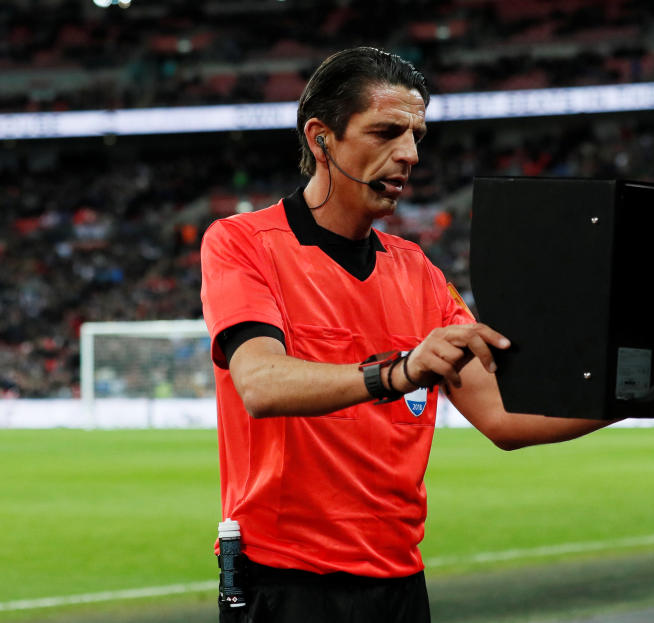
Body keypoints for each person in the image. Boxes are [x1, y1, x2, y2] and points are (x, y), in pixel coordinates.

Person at [200, 47, 613, 623]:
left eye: (417, 135)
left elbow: (505, 418)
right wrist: (400, 371)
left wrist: (653, 389)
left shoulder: (417, 271)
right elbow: (261, 382)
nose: (411, 155)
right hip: (286, 583)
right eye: (387, 131)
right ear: (321, 139)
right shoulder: (243, 242)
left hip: (398, 581)